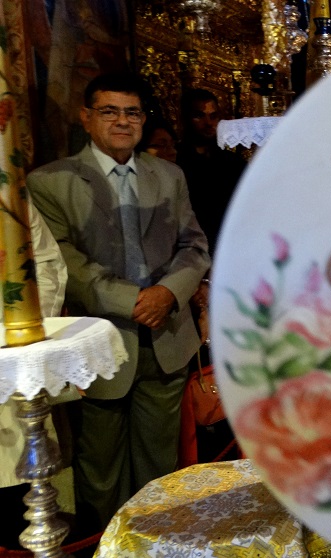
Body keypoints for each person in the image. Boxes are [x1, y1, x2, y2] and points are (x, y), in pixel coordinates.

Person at [27, 73, 211, 530]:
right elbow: (63, 259)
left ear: (144, 120)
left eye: (132, 112)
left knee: (160, 463)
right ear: (86, 117)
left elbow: (193, 245)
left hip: (166, 336)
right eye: (109, 111)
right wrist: (132, 301)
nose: (122, 121)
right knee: (100, 465)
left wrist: (169, 293)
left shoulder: (168, 175)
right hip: (99, 340)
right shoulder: (51, 181)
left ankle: (156, 540)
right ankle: (104, 544)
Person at [0, 204, 67, 549]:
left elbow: (46, 265)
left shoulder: (9, 195)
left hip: (8, 352)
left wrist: (20, 327)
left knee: (16, 502)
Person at [176, 88, 246, 257]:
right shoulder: (175, 162)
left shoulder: (233, 163)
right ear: (185, 119)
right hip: (188, 248)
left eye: (213, 116)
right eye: (199, 116)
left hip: (228, 246)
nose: (208, 123)